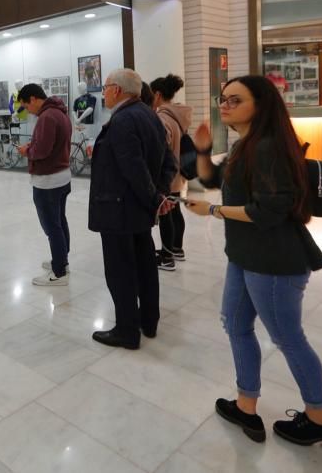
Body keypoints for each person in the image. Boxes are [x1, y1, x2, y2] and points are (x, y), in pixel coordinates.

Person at [185, 75, 322, 447]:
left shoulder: (270, 147)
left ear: (261, 104)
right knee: (236, 325)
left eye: (234, 100)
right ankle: (246, 405)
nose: (224, 105)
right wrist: (204, 151)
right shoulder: (247, 145)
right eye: (222, 99)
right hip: (243, 256)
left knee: (288, 338)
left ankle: (321, 418)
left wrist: (212, 211)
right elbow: (212, 180)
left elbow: (268, 211)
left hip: (274, 260)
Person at [88, 68, 176, 350]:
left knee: (121, 270)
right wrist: (158, 195)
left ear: (116, 90)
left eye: (105, 88)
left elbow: (134, 169)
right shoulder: (149, 114)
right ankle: (148, 321)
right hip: (137, 209)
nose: (103, 93)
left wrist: (155, 198)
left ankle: (127, 330)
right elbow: (168, 163)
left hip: (120, 210)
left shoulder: (124, 120)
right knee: (145, 265)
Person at [15, 83, 73, 286]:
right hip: (62, 176)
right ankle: (61, 261)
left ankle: (59, 273)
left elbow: (43, 151)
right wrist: (34, 146)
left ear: (33, 99)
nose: (28, 111)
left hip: (48, 180)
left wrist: (27, 151)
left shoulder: (47, 117)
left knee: (52, 227)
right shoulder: (60, 113)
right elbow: (52, 144)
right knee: (59, 221)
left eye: (26, 105)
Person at [150, 74, 193, 271]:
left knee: (166, 214)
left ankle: (167, 257)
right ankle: (177, 248)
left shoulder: (162, 118)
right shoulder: (178, 116)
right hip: (178, 174)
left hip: (167, 176)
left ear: (157, 94)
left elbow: (160, 150)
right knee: (175, 211)